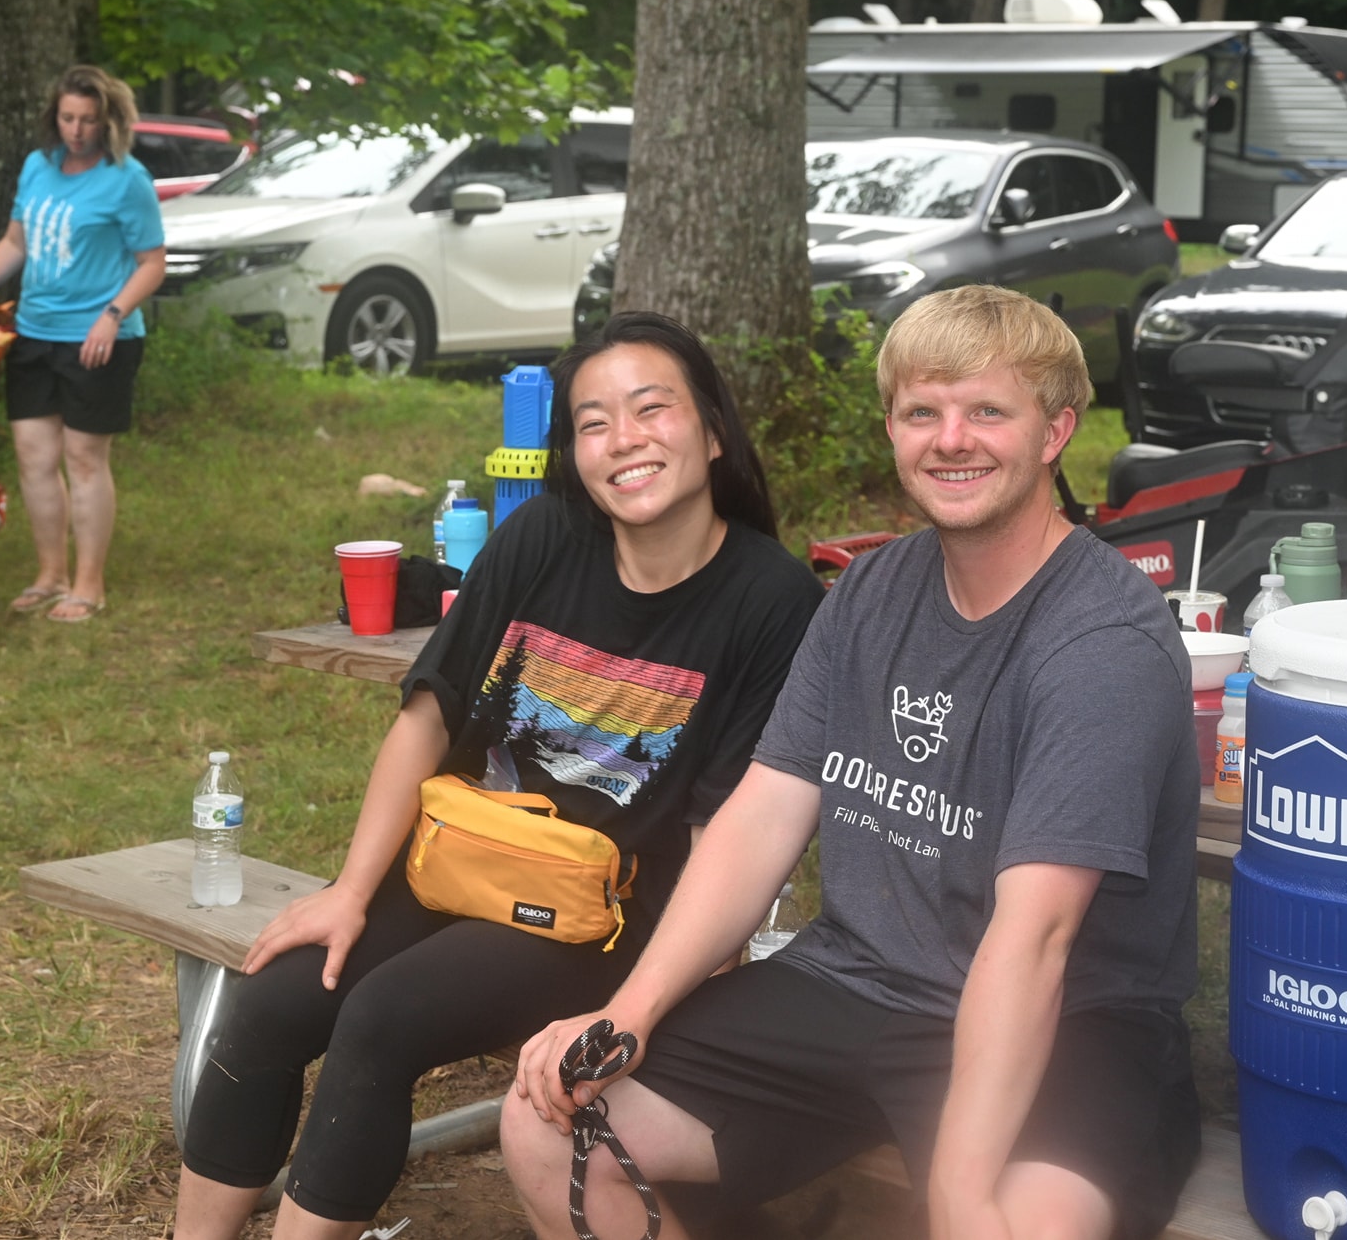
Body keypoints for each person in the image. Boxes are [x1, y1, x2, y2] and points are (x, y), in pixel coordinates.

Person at [505, 284, 1202, 1240]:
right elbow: (761, 816)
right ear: (893, 429)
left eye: (987, 410)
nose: (950, 438)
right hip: (851, 985)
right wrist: (630, 1008)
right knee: (551, 1127)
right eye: (923, 412)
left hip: (1068, 1018)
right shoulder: (871, 589)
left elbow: (1035, 937)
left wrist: (958, 1193)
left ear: (1055, 432)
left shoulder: (1101, 641)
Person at [170, 312, 825, 1240]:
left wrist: (675, 1008)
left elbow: (727, 832)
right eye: (593, 421)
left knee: (382, 1017)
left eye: (651, 409)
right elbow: (426, 717)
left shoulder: (772, 600)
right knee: (276, 993)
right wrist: (351, 892)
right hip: (465, 858)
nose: (623, 439)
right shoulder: (545, 537)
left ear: (714, 431)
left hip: (606, 917)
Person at [0, 64, 166, 624]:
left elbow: (152, 264)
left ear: (108, 121)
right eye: (68, 117)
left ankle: (89, 585)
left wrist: (111, 316)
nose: (76, 129)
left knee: (84, 459)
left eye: (88, 120)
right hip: (35, 333)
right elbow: (16, 240)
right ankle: (51, 574)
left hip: (97, 340)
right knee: (34, 457)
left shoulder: (128, 179)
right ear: (55, 117)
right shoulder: (37, 167)